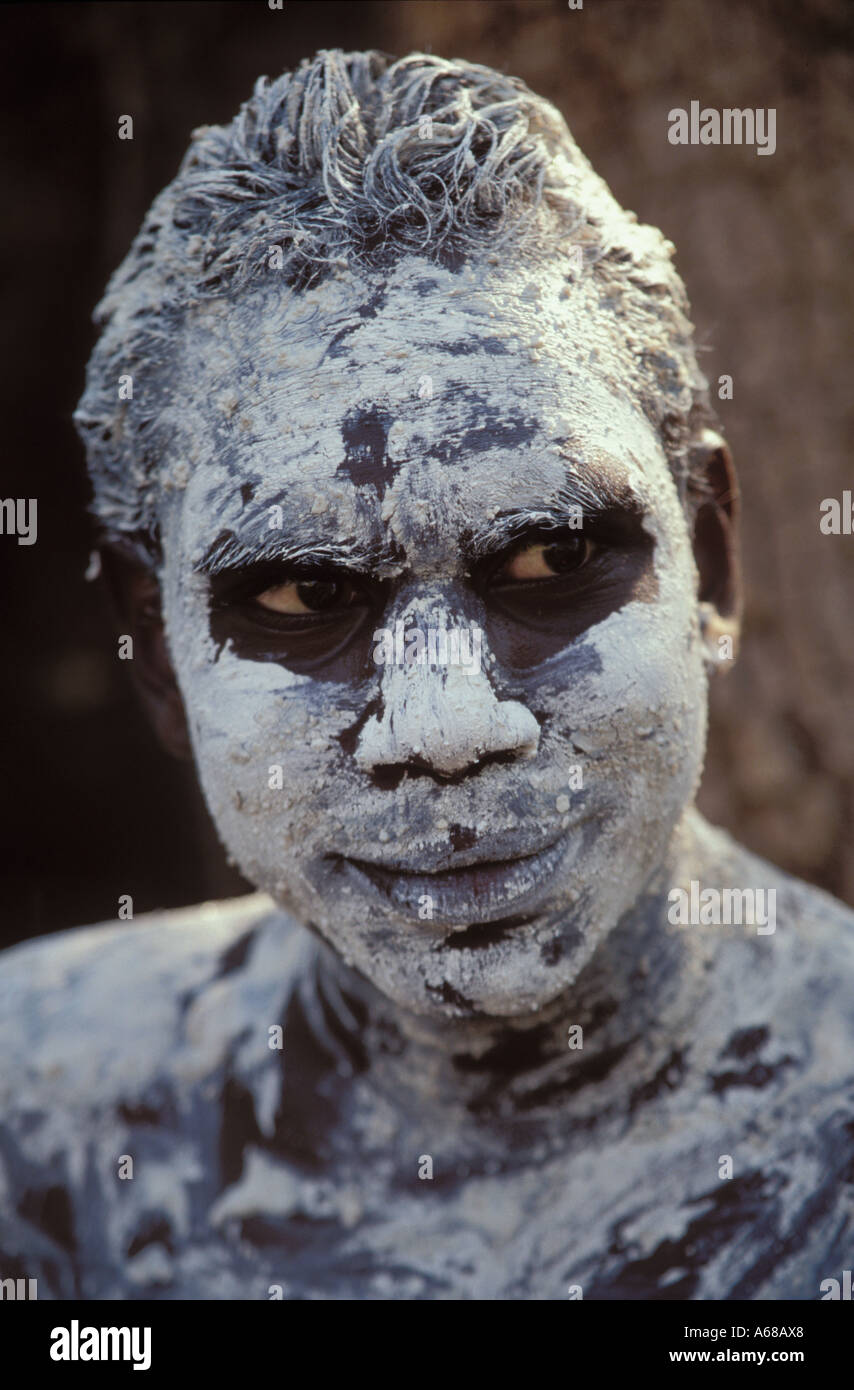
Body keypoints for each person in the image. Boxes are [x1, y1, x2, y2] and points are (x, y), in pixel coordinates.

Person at [1, 50, 852, 1301]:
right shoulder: (42, 1120)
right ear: (159, 654)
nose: (445, 727)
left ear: (709, 567)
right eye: (303, 598)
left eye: (551, 557)